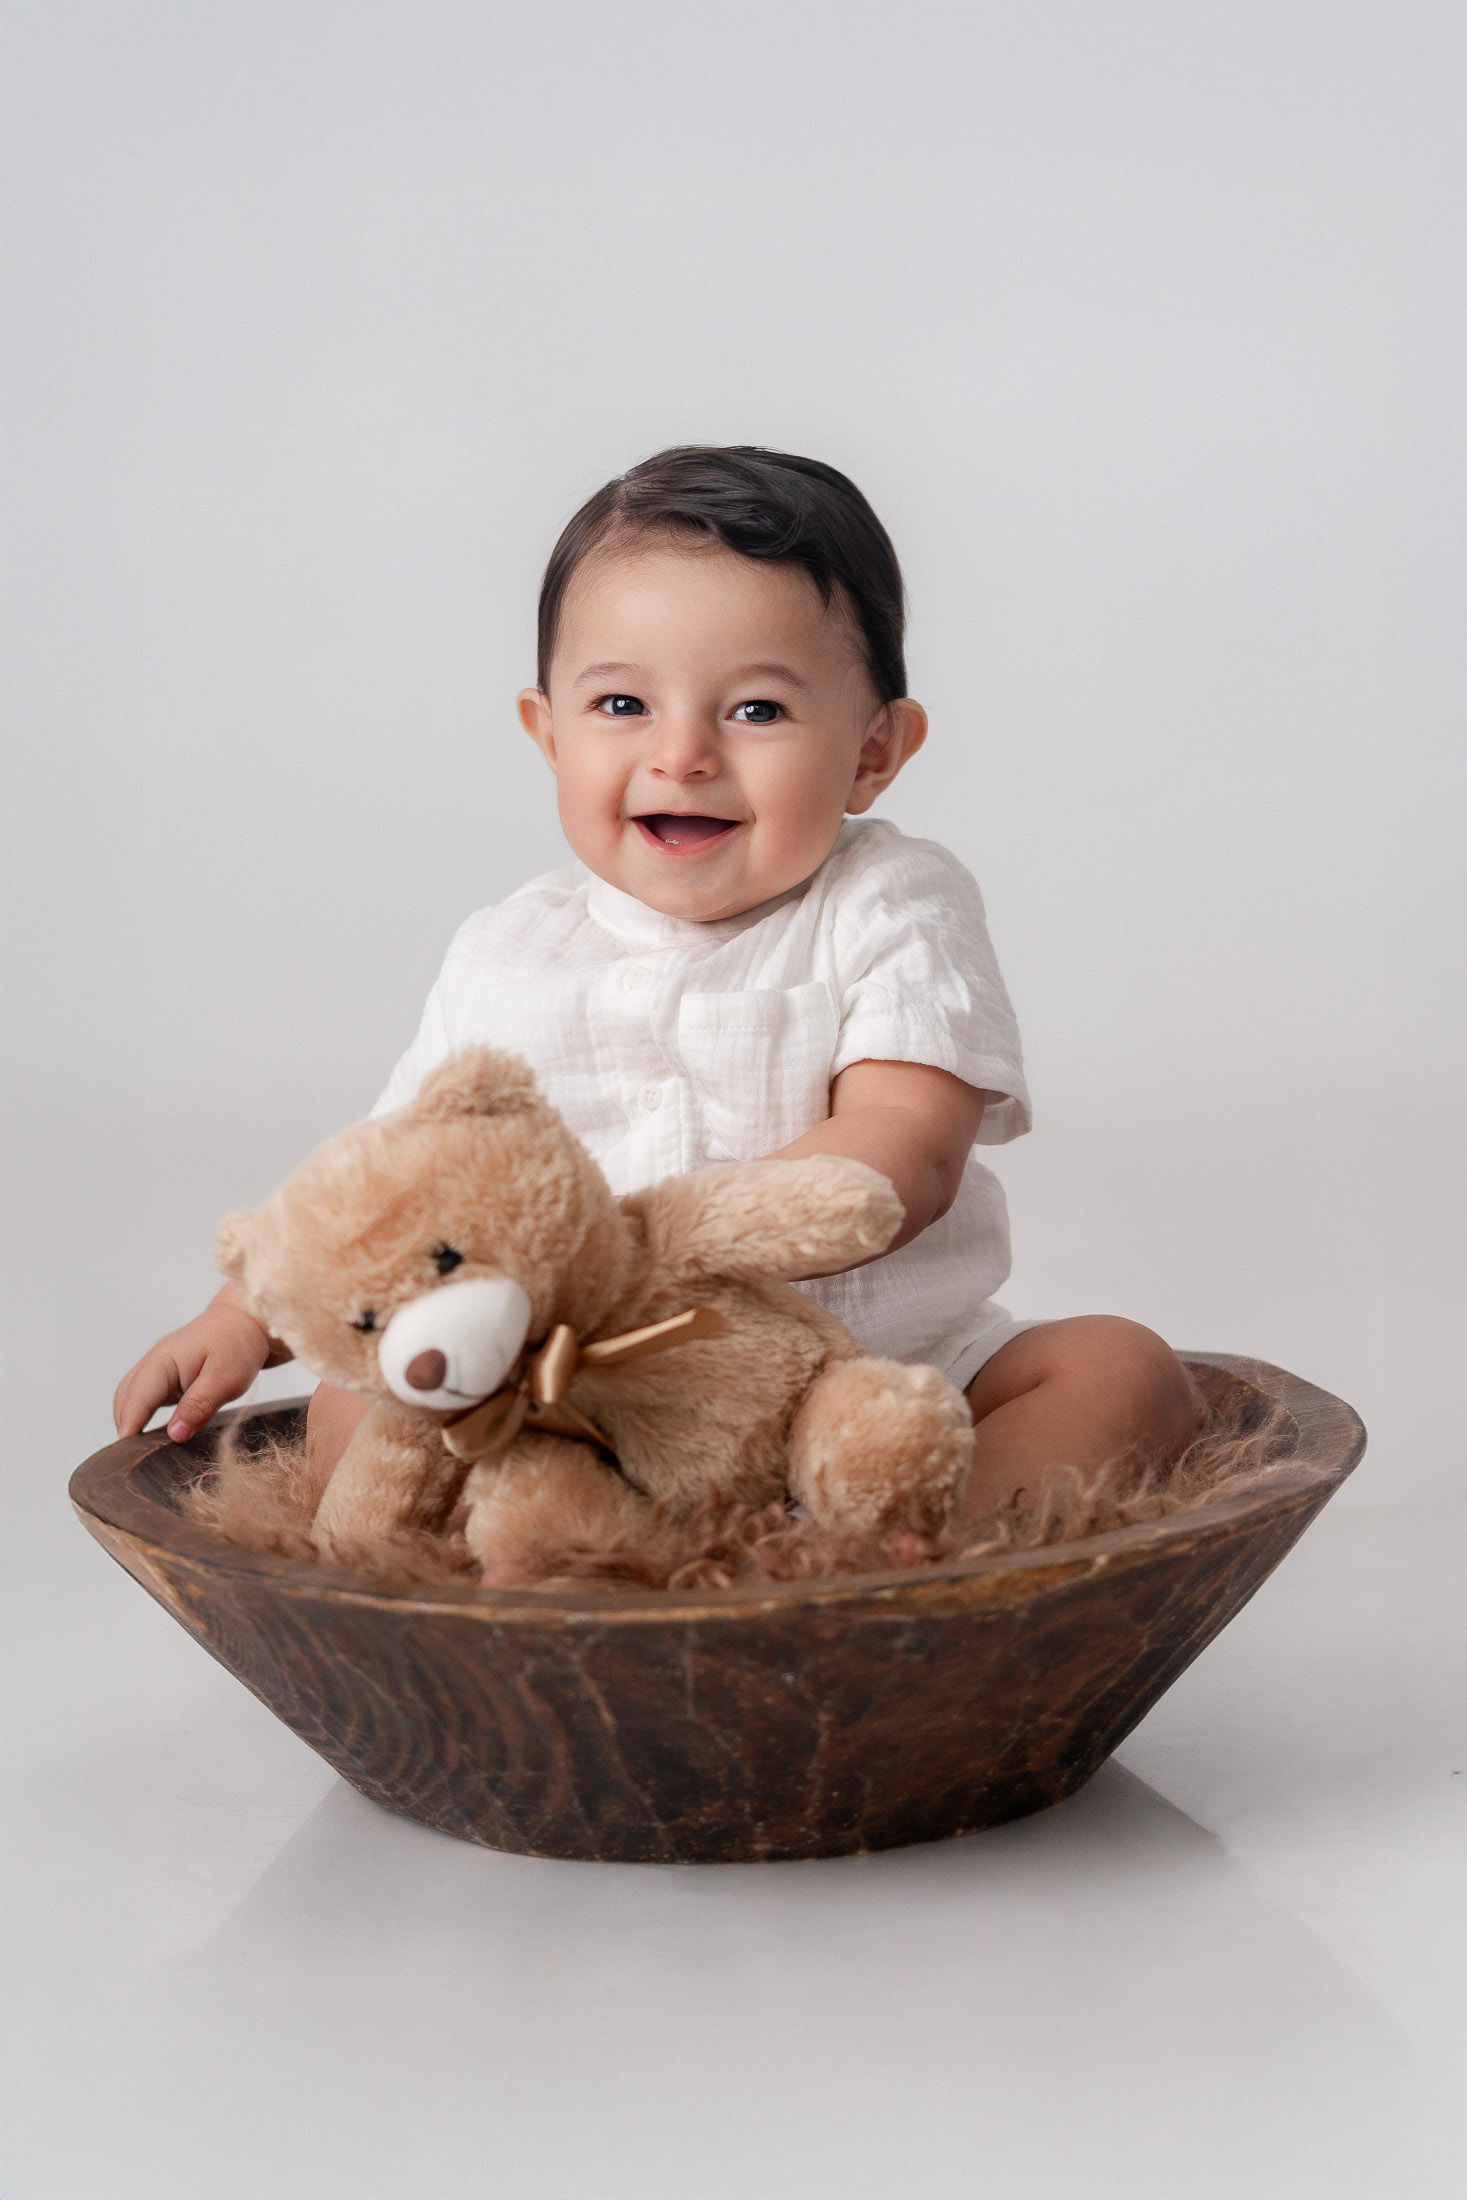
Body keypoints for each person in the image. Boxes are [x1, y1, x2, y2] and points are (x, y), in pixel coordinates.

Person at [113, 445, 1200, 1525]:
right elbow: (384, 1190)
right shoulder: (506, 951)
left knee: (1120, 1369)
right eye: (624, 703)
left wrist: (645, 1245)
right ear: (548, 733)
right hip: (581, 1405)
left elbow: (910, 1147)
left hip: (886, 1378)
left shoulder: (890, 899)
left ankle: (895, 1561)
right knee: (355, 1409)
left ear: (873, 752)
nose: (682, 755)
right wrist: (242, 1315)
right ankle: (549, 1565)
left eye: (756, 711)